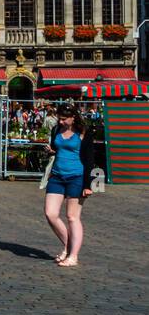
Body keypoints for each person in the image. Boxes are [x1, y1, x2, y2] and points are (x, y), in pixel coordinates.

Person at [45, 104, 95, 267]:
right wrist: (51, 151)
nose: (60, 121)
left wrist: (87, 185)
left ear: (73, 117)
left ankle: (73, 255)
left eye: (64, 119)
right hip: (57, 175)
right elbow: (57, 148)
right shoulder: (56, 130)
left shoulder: (83, 133)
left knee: (72, 217)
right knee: (50, 214)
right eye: (59, 118)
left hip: (77, 176)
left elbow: (89, 159)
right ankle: (68, 245)